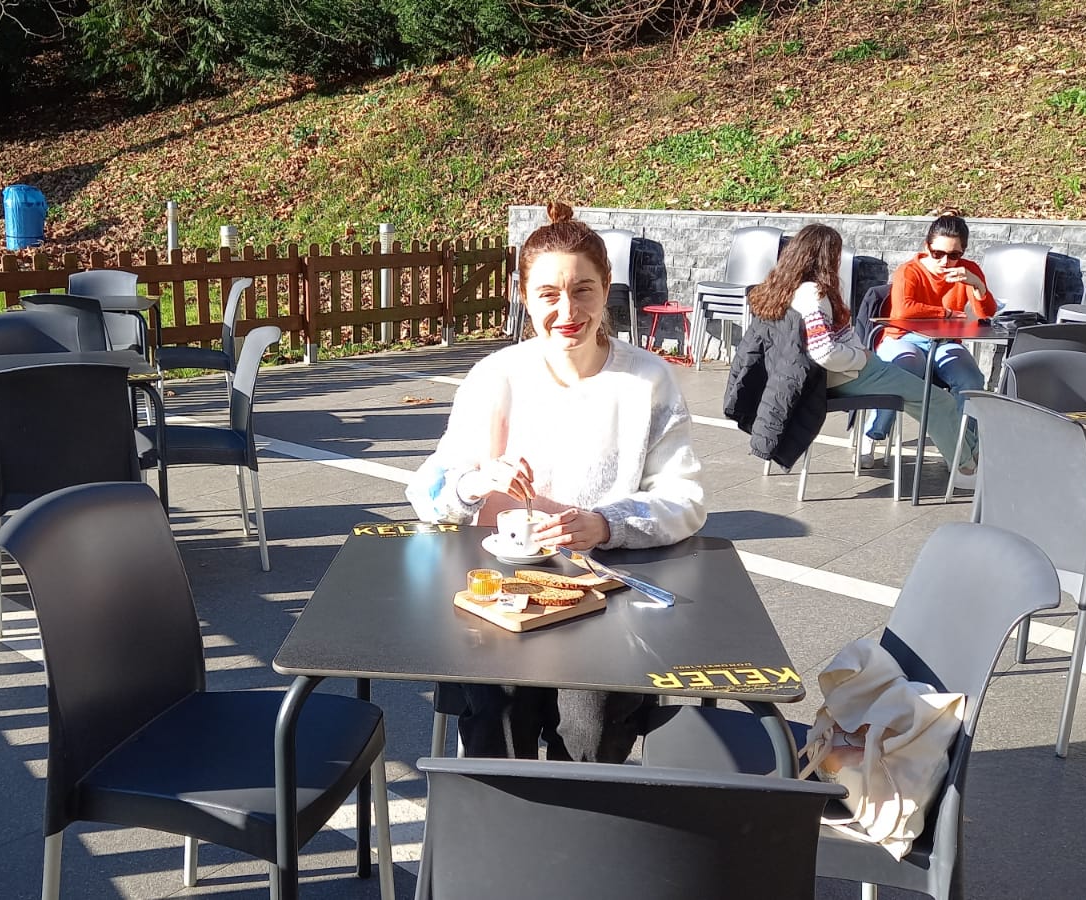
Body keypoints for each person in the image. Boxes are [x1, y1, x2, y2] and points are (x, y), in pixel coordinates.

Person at [406, 201, 707, 762]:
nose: (567, 310)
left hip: (602, 592)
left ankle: (582, 815)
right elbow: (426, 491)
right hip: (502, 594)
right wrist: (474, 482)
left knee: (592, 721)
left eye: (582, 290)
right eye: (548, 294)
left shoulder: (647, 381)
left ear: (606, 288)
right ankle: (501, 813)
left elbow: (685, 498)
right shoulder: (496, 376)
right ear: (524, 297)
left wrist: (606, 524)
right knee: (499, 712)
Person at [746, 223, 977, 476]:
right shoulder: (814, 295)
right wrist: (861, 356)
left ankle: (972, 454)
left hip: (804, 375)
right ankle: (966, 467)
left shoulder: (779, 288)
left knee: (924, 399)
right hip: (846, 373)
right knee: (938, 400)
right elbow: (824, 352)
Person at [866, 214, 995, 446]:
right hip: (903, 338)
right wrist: (946, 313)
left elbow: (986, 313)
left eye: (954, 255)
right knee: (904, 366)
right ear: (927, 247)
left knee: (971, 380)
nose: (945, 261)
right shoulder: (909, 270)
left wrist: (977, 285)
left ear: (963, 252)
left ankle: (963, 446)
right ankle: (874, 433)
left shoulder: (967, 271)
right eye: (938, 253)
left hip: (945, 342)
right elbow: (904, 310)